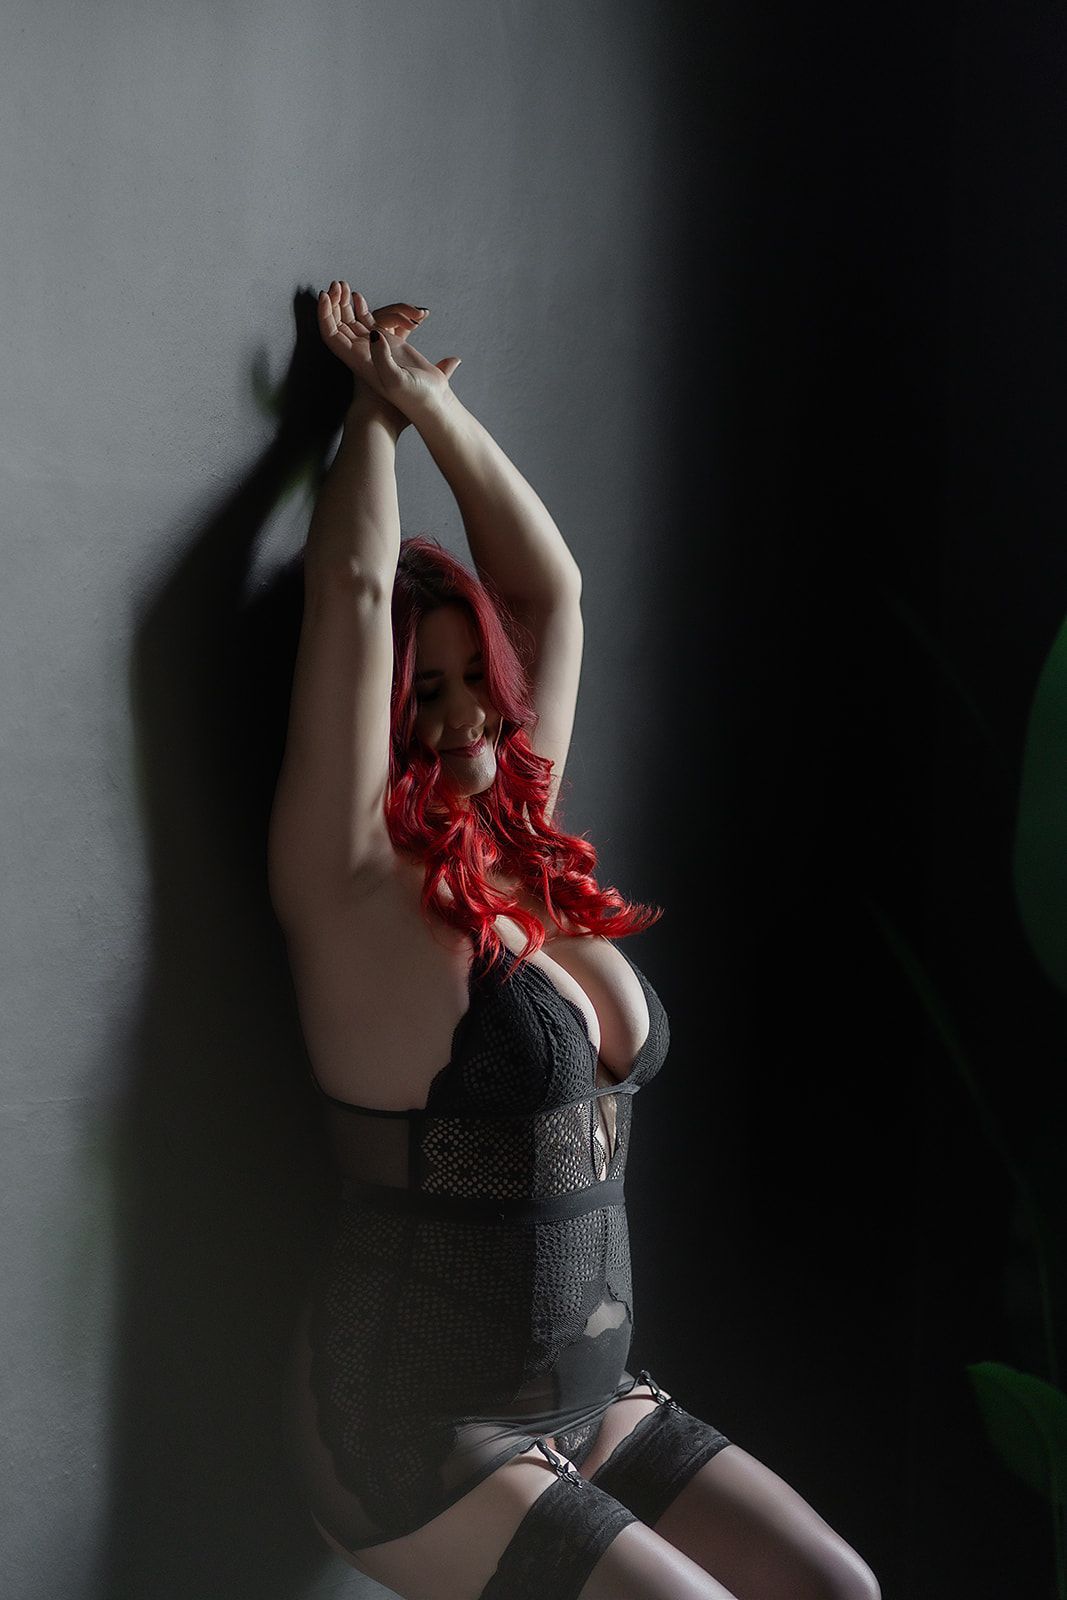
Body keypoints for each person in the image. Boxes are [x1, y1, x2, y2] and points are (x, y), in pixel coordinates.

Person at [270, 280, 880, 1600]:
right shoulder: (349, 877)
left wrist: (430, 399)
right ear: (380, 710)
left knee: (839, 1589)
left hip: (595, 1399)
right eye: (423, 691)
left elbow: (551, 591)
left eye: (474, 679)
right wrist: (371, 422)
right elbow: (353, 590)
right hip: (416, 1425)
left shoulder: (514, 852)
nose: (465, 717)